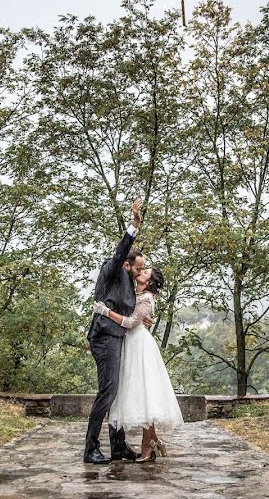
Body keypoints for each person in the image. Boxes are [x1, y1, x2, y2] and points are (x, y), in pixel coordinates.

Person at [94, 266, 184, 462]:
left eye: (145, 273)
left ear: (149, 282)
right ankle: (153, 442)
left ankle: (148, 445)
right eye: (142, 270)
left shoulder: (146, 298)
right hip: (131, 344)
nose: (141, 273)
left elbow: (130, 322)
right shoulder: (136, 293)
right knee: (140, 394)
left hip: (140, 346)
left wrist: (106, 312)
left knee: (145, 394)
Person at [83, 198, 149, 465]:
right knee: (108, 391)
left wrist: (141, 320)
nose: (140, 272)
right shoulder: (112, 270)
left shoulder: (129, 283)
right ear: (126, 264)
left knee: (118, 392)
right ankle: (90, 449)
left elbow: (130, 314)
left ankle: (118, 447)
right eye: (138, 268)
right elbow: (122, 250)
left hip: (118, 336)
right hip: (104, 336)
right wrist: (133, 225)